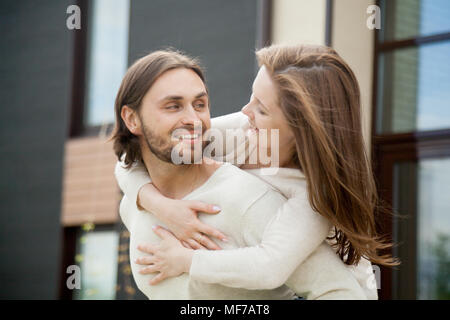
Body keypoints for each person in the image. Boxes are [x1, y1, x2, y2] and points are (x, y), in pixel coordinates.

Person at [112, 48, 387, 300]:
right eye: (251, 98)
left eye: (261, 108)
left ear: (299, 128)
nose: (245, 111)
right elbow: (130, 157)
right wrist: (161, 205)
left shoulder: (312, 198)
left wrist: (188, 261)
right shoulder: (244, 130)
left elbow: (270, 266)